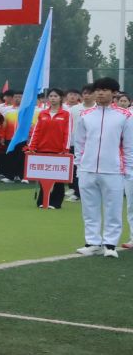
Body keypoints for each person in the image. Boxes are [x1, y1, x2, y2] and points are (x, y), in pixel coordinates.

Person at [71, 80, 128, 257]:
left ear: (114, 93)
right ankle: (92, 242)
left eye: (104, 90)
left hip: (114, 170)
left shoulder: (125, 115)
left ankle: (110, 244)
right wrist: (79, 165)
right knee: (89, 208)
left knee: (113, 208)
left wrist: (128, 170)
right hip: (87, 169)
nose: (100, 93)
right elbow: (79, 142)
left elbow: (129, 145)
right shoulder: (85, 115)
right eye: (97, 90)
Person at [29, 90, 70, 210]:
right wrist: (32, 147)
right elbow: (36, 131)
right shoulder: (42, 113)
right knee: (43, 177)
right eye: (51, 96)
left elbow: (67, 133)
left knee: (58, 178)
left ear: (61, 98)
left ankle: (56, 202)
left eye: (55, 96)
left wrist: (65, 149)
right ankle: (42, 201)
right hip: (42, 149)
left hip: (58, 151)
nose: (52, 98)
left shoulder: (66, 114)